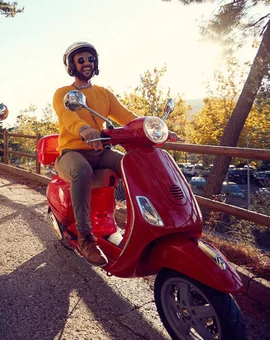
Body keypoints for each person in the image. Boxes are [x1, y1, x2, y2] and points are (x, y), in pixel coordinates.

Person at [53, 41, 179, 266]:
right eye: (80, 60)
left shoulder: (104, 94)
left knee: (133, 165)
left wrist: (156, 129)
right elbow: (68, 117)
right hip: (72, 152)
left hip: (100, 151)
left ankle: (151, 224)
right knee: (81, 171)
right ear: (72, 65)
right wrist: (85, 130)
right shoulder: (64, 93)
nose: (86, 63)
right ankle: (85, 238)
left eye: (90, 59)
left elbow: (128, 117)